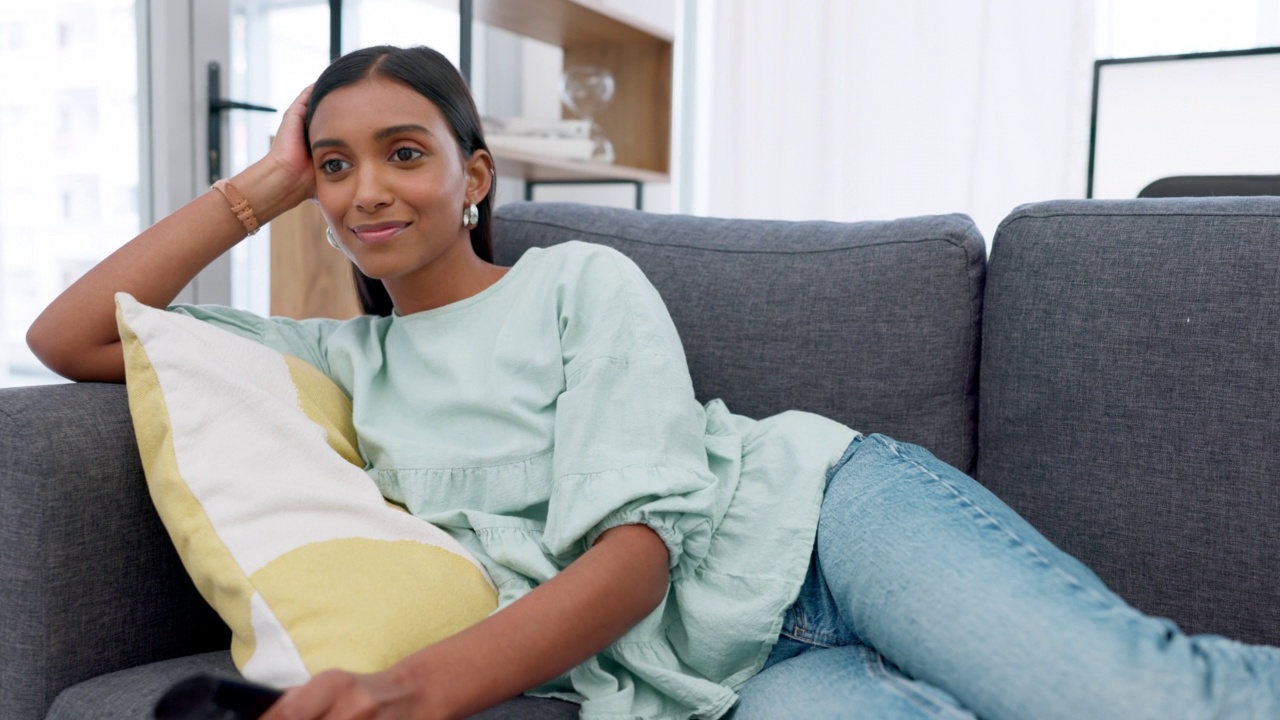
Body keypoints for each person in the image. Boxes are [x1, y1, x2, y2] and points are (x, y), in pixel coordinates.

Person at [25, 44, 1280, 720]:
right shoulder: (333, 364)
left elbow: (634, 559)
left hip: (824, 524)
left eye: (404, 153)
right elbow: (73, 337)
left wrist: (410, 691)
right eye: (338, 166)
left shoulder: (579, 284)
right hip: (719, 676)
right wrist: (266, 183)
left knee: (1124, 697)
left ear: (473, 178)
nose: (366, 190)